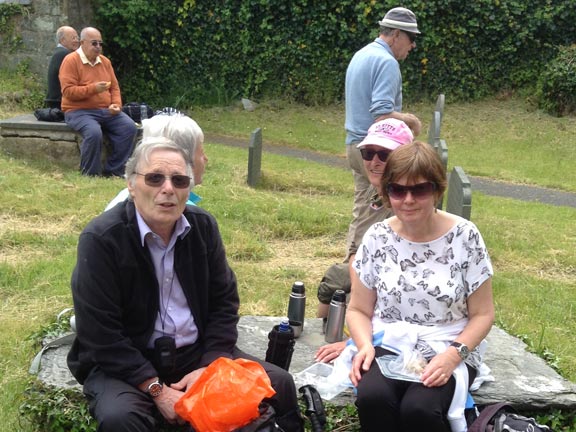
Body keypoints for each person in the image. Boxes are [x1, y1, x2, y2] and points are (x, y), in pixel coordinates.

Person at [67, 137, 304, 432]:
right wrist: (157, 389)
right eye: (154, 178)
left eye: (179, 180)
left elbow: (224, 302)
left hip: (195, 353)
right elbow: (100, 333)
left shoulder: (203, 227)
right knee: (122, 418)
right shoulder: (102, 239)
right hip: (126, 362)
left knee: (278, 383)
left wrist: (209, 367)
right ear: (131, 184)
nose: (168, 189)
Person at [346, 141, 495, 432]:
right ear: (387, 192)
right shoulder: (377, 237)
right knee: (372, 398)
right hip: (390, 340)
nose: (408, 199)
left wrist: (452, 357)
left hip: (449, 342)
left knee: (420, 409)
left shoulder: (465, 236)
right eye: (398, 190)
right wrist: (364, 346)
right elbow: (358, 309)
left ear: (437, 191)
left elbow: (483, 314)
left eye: (420, 189)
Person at [315, 118, 414, 363]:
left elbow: (398, 293)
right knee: (334, 280)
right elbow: (355, 253)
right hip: (365, 280)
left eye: (384, 154)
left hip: (394, 317)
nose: (373, 162)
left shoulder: (408, 206)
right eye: (368, 153)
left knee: (341, 291)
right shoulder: (376, 193)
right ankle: (318, 333)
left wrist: (353, 342)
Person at [344, 6, 423, 269]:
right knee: (376, 215)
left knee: (364, 210)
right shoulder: (387, 62)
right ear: (397, 35)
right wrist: (410, 121)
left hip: (357, 147)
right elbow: (380, 113)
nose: (412, 47)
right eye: (411, 39)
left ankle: (351, 273)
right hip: (377, 151)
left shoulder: (362, 54)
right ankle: (352, 278)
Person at [59, 27, 137, 177]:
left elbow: (114, 87)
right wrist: (93, 89)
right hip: (78, 111)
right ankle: (90, 174)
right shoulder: (71, 61)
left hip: (106, 110)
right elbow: (68, 91)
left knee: (129, 127)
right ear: (82, 43)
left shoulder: (105, 62)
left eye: (100, 44)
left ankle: (115, 170)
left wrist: (116, 105)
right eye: (94, 43)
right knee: (94, 132)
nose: (98, 47)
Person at [104, 114, 206, 211]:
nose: (206, 158)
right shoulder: (174, 208)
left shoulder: (126, 196)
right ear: (184, 158)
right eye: (201, 152)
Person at [45, 26, 79, 110]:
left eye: (77, 37)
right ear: (63, 40)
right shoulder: (64, 54)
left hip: (54, 101)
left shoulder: (59, 52)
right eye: (73, 38)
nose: (77, 41)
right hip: (59, 103)